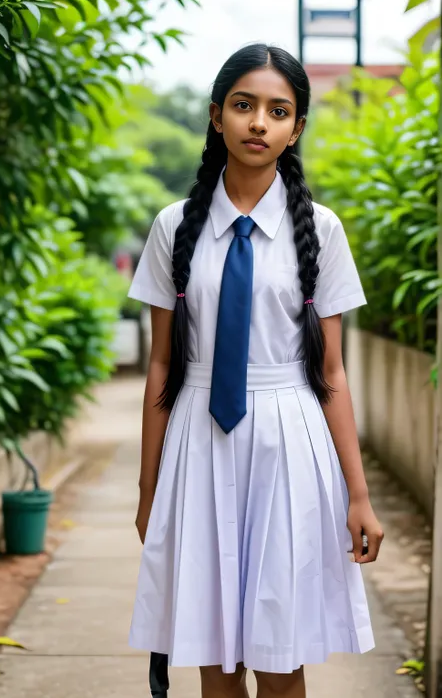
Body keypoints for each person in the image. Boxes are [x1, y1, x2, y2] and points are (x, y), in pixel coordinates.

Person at [127, 43, 384, 698]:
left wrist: (358, 494)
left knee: (280, 657)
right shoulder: (172, 227)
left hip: (288, 447)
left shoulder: (321, 232)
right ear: (217, 116)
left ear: (296, 128)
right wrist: (148, 489)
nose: (258, 123)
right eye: (244, 105)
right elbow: (161, 364)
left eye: (278, 110)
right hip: (199, 442)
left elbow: (332, 372)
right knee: (214, 662)